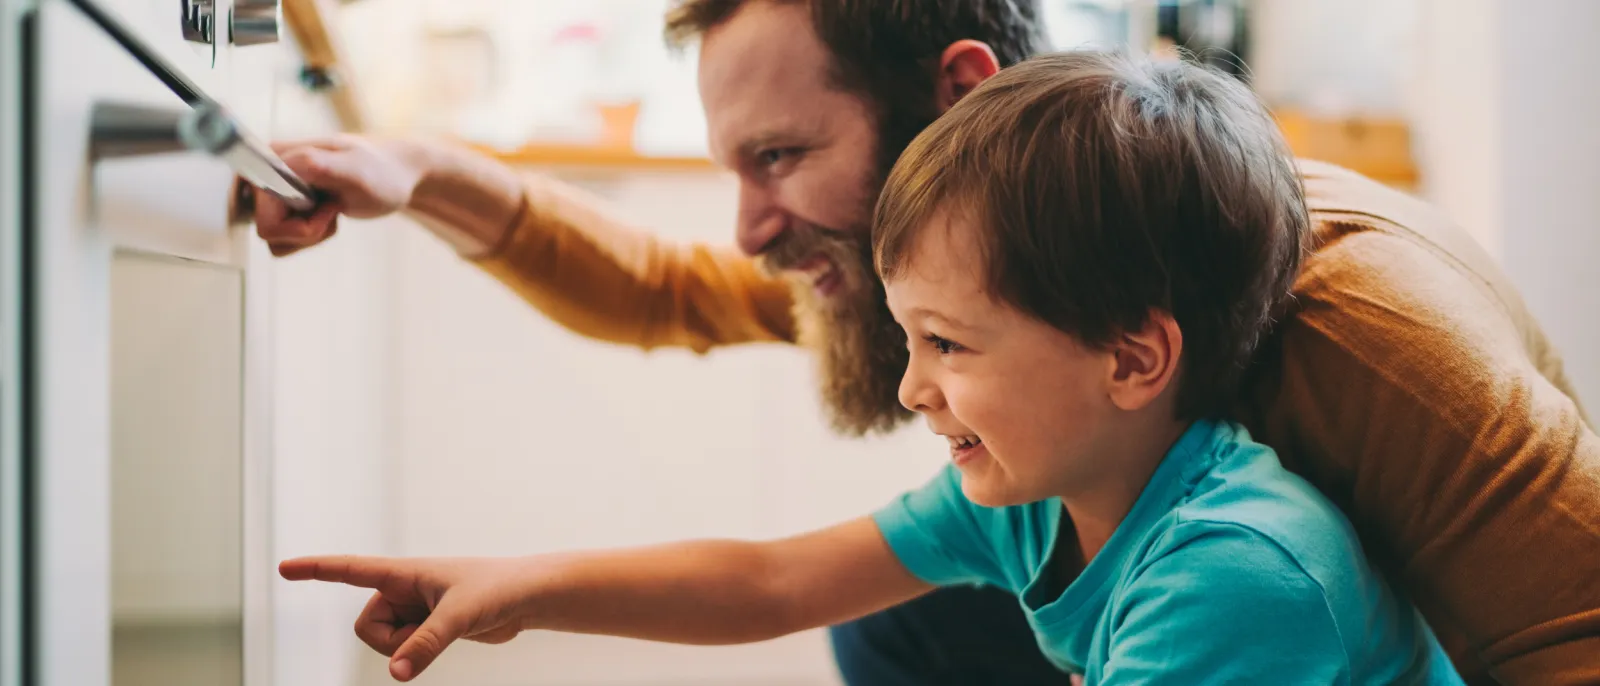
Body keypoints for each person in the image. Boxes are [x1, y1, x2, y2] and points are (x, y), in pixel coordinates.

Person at [256, 1, 1600, 684]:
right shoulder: (1023, 278)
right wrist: (421, 173)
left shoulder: (1359, 341)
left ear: (953, 92)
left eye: (780, 156)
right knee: (901, 618)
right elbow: (682, 325)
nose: (746, 234)